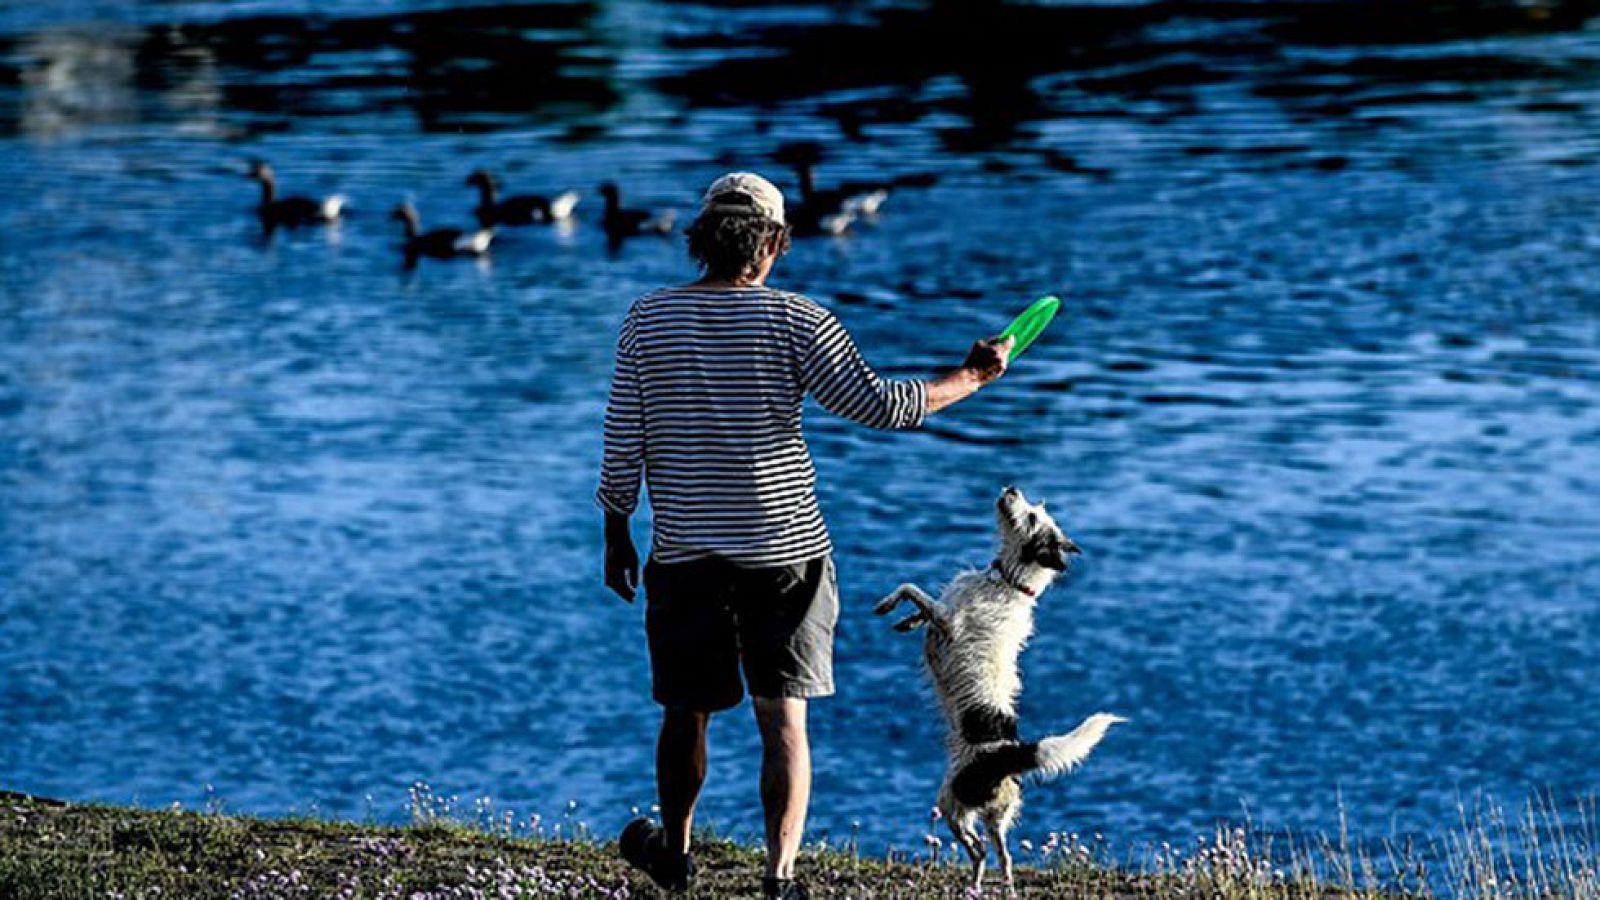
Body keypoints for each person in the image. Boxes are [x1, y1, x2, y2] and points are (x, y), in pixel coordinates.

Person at [597, 172, 1011, 898]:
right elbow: (884, 406)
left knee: (684, 712)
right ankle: (779, 878)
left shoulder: (647, 320)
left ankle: (677, 856)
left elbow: (622, 438)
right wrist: (972, 377)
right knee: (783, 716)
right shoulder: (798, 321)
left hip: (684, 548)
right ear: (774, 242)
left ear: (700, 240)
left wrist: (615, 530)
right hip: (784, 551)